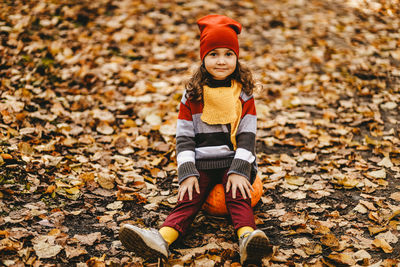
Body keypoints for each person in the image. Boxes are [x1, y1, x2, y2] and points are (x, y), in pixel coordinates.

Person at [119, 14, 273, 265]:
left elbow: (247, 137)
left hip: (234, 161)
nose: (221, 61)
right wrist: (187, 171)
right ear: (203, 58)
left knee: (238, 195)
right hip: (202, 163)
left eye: (228, 54)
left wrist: (240, 170)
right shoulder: (192, 94)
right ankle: (162, 239)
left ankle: (248, 239)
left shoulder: (243, 95)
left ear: (236, 57)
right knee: (187, 200)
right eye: (213, 54)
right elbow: (184, 137)